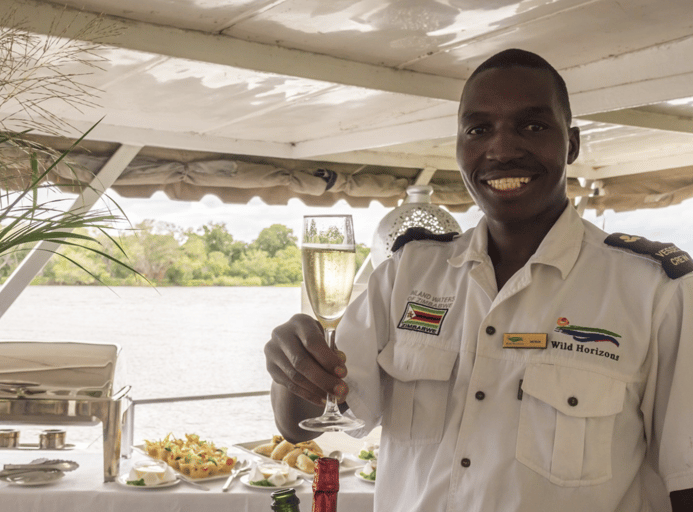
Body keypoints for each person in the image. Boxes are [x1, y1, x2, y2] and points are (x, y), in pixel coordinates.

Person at [264, 49, 693, 512]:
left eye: (532, 126)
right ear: (458, 145)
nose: (503, 150)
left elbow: (685, 481)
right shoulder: (404, 274)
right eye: (478, 129)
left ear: (570, 144)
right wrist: (293, 369)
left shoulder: (654, 292)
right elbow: (306, 421)